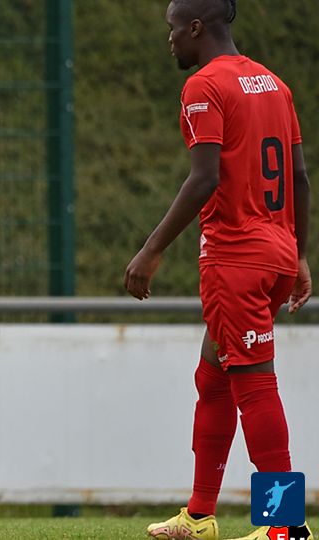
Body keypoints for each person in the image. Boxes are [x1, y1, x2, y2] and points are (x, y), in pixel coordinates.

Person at [124, 1, 311, 539]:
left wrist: (151, 249)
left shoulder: (204, 86)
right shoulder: (273, 84)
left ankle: (286, 526)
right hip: (275, 251)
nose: (170, 39)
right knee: (213, 379)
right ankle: (200, 516)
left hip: (237, 259)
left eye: (173, 29)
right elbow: (299, 177)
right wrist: (299, 254)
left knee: (254, 385)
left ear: (196, 27)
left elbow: (204, 177)